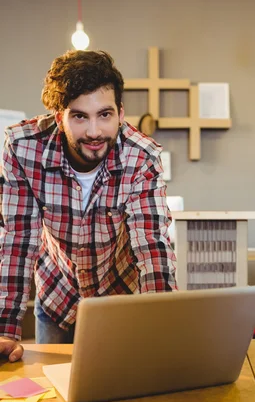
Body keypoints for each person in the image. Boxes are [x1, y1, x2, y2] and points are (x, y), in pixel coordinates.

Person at [0, 50, 177, 362]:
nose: (94, 132)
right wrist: (5, 329)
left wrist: (160, 326)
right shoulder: (22, 148)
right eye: (80, 116)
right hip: (56, 294)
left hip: (119, 297)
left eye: (104, 115)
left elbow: (151, 243)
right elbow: (18, 240)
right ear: (60, 117)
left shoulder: (142, 157)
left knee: (120, 394)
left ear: (121, 113)